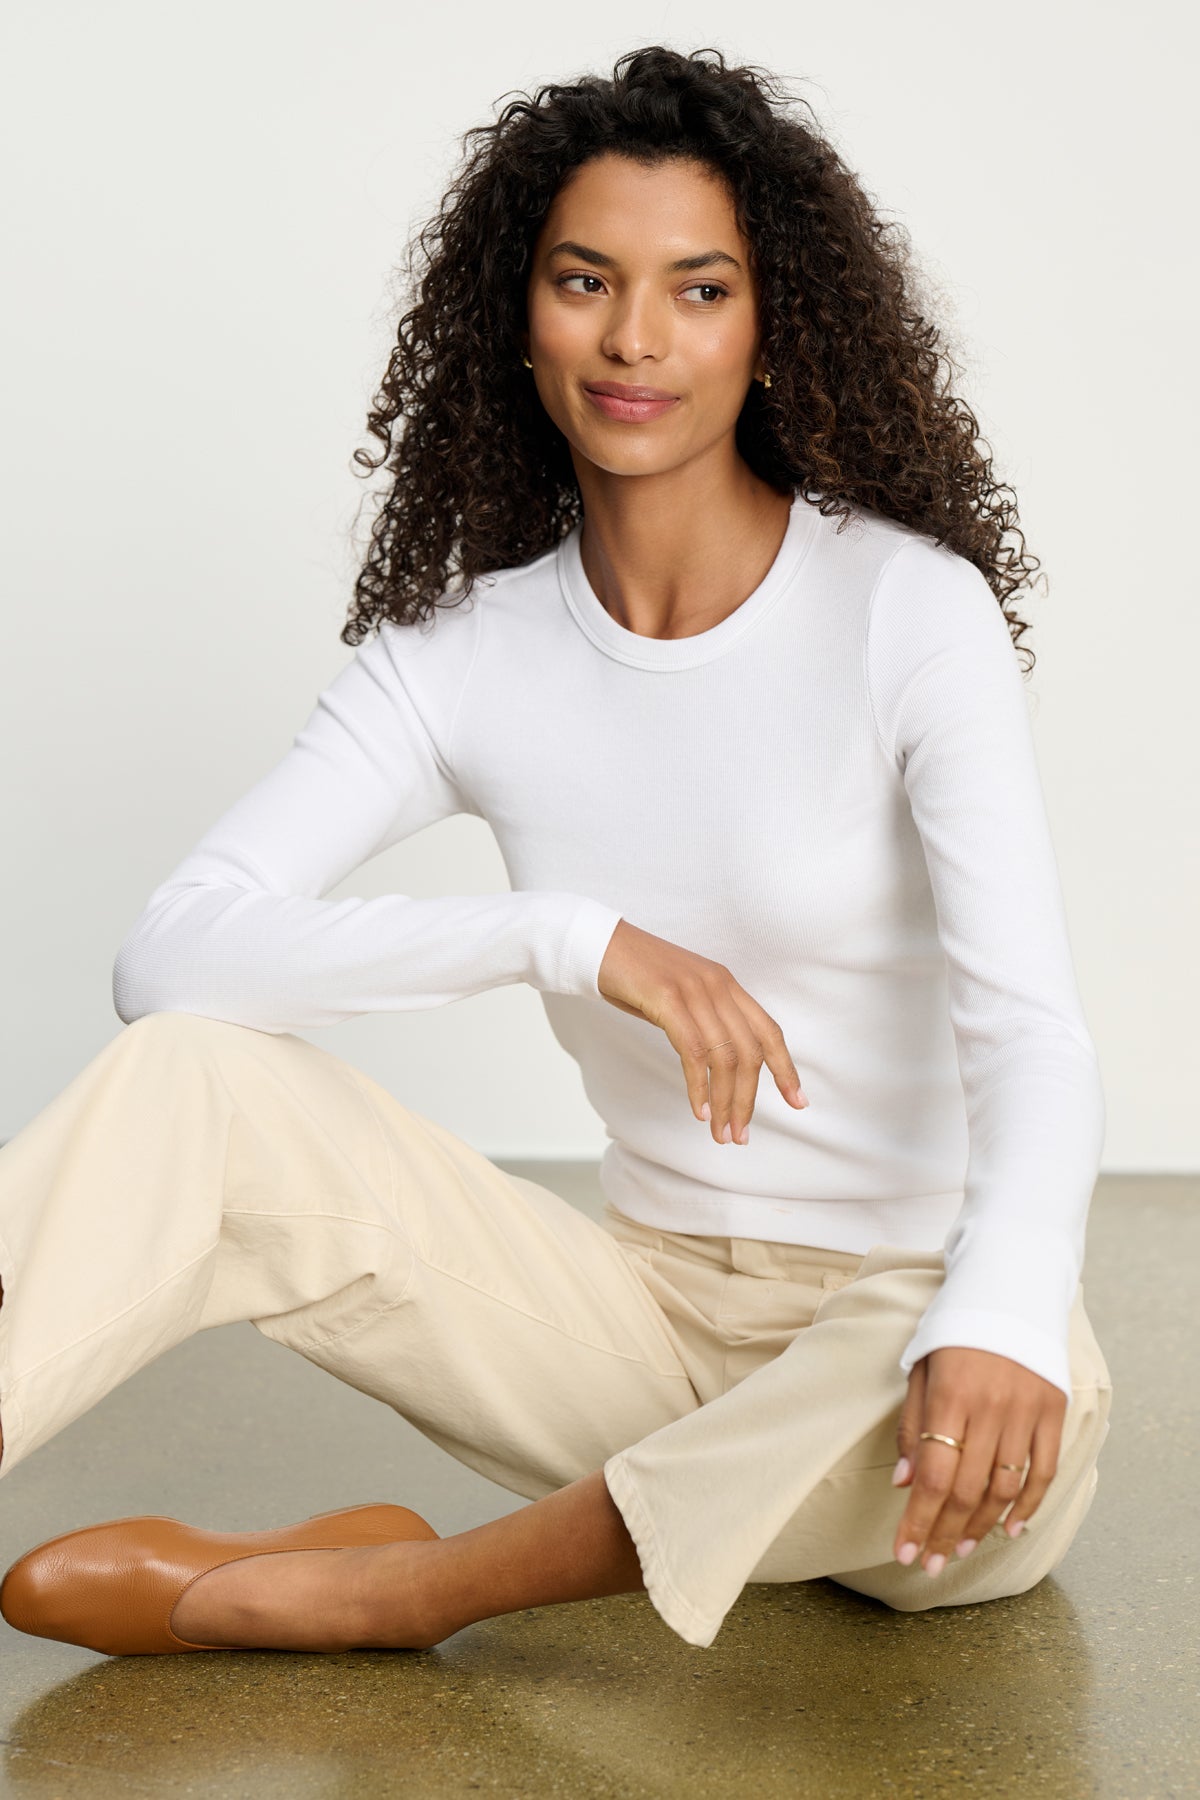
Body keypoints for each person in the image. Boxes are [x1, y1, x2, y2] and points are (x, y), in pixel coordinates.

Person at [0, 44, 1112, 1659]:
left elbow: (1032, 1029)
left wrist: (998, 1310)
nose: (637, 338)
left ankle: (397, 1589)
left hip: (918, 1354)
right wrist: (564, 937)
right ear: (517, 316)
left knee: (1020, 1352)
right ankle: (578, 1530)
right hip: (634, 1331)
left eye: (700, 288)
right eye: (586, 280)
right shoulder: (465, 656)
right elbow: (170, 955)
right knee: (196, 1075)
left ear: (773, 324)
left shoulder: (900, 611)